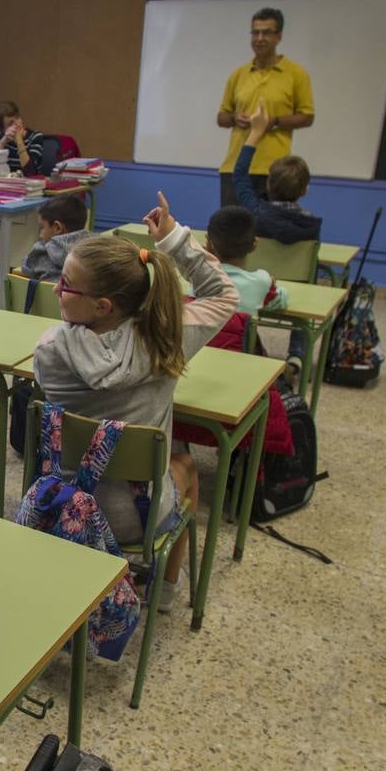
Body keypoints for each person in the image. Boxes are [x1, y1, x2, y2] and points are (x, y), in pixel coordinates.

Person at [32, 192, 238, 609]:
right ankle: (163, 592)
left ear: (102, 305)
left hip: (62, 503)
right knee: (185, 464)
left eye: (67, 284)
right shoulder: (165, 338)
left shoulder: (49, 349)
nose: (56, 288)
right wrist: (175, 240)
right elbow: (223, 295)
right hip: (135, 516)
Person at [234, 100, 319, 380]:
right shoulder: (311, 226)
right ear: (305, 190)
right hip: (295, 290)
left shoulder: (255, 212)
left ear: (268, 185)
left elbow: (239, 177)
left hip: (258, 286)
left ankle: (251, 349)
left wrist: (254, 136)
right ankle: (296, 357)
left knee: (243, 304)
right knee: (307, 310)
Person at [216, 7, 314, 207]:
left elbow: (307, 116)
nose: (259, 38)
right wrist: (235, 118)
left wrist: (274, 122)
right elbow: (221, 117)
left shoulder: (296, 74)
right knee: (230, 232)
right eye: (255, 32)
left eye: (266, 32)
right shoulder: (239, 74)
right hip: (236, 167)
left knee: (268, 233)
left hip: (275, 171)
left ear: (279, 37)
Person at [204, 204, 289, 319]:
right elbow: (282, 300)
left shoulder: (199, 279)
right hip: (240, 337)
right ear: (254, 245)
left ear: (209, 243)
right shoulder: (261, 281)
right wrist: (270, 286)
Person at [19, 193, 92, 282]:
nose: (40, 235)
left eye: (42, 227)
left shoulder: (42, 253)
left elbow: (26, 268)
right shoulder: (95, 249)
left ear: (57, 227)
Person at [0, 100, 44, 175]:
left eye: (17, 118)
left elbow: (30, 172)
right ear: (2, 130)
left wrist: (19, 141)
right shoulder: (1, 137)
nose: (17, 124)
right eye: (11, 123)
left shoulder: (36, 137)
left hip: (30, 184)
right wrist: (2, 143)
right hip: (7, 183)